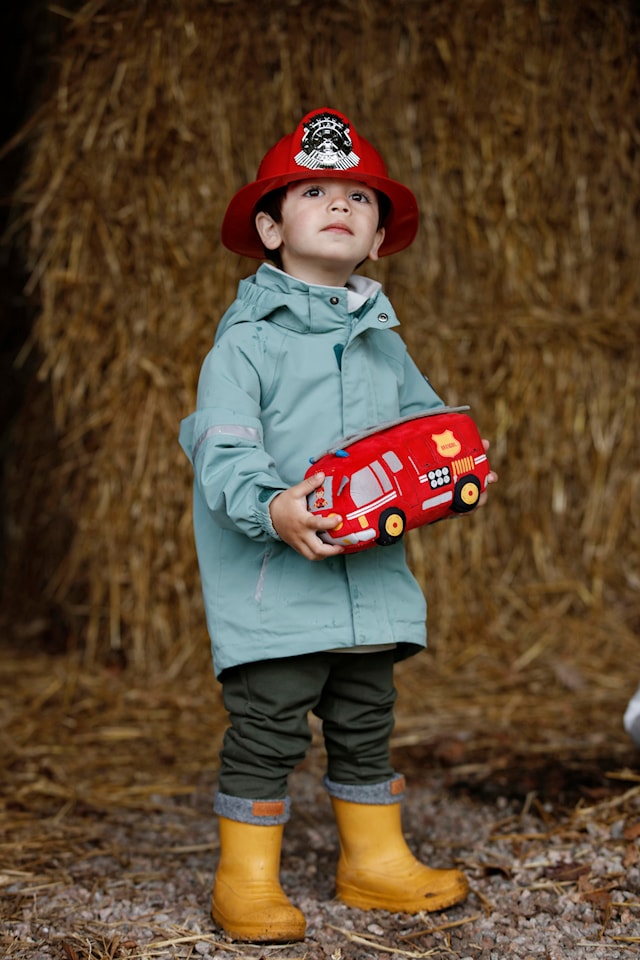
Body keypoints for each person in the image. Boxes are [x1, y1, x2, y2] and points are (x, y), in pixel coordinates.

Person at [179, 107, 497, 943]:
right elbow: (222, 449)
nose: (340, 206)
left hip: (370, 587)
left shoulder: (384, 342)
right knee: (269, 724)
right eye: (313, 190)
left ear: (380, 240)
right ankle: (245, 878)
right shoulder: (244, 345)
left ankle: (374, 860)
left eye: (361, 197)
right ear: (267, 225)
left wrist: (455, 455)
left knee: (366, 717)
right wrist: (273, 504)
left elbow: (425, 423)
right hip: (275, 592)